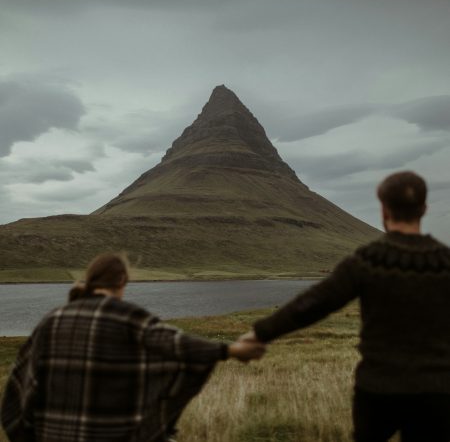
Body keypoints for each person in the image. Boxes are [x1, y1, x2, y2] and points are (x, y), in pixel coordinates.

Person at [244, 171, 450, 442]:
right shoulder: (445, 263)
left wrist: (259, 334)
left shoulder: (367, 261)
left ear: (384, 210)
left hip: (377, 389)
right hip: (437, 392)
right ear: (424, 209)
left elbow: (313, 304)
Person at [1, 253, 265, 442]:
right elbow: (176, 344)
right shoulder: (127, 316)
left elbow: (21, 382)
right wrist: (230, 350)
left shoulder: (52, 320)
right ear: (123, 281)